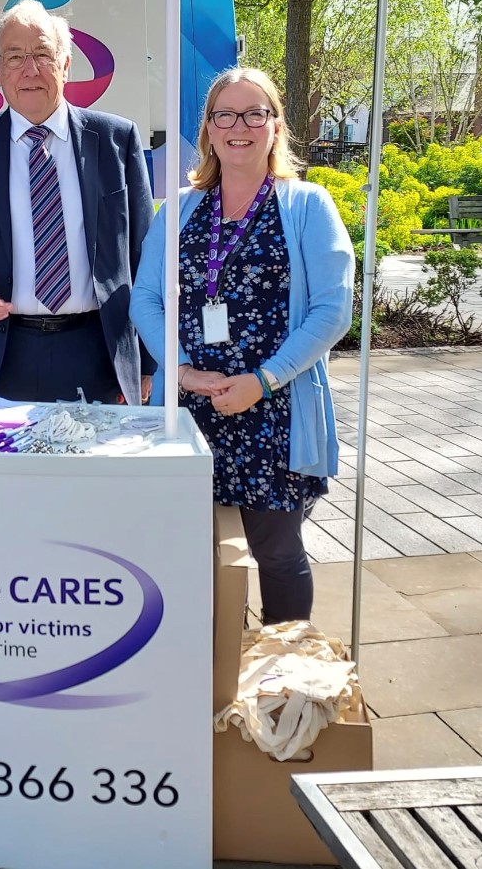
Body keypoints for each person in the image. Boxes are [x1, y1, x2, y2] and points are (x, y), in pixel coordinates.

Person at [130, 67, 354, 625]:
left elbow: (333, 309)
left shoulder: (307, 205)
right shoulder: (179, 210)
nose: (240, 126)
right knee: (195, 557)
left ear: (276, 127)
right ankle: (210, 678)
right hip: (193, 410)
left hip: (273, 410)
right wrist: (180, 370)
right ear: (207, 130)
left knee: (276, 555)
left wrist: (264, 380)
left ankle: (284, 684)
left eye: (256, 113)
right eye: (225, 114)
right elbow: (146, 299)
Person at [0, 0, 154, 407]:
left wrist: (146, 363)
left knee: (89, 472)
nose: (30, 70)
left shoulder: (117, 141)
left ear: (66, 64)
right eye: (15, 57)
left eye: (43, 55)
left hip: (95, 353)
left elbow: (147, 256)